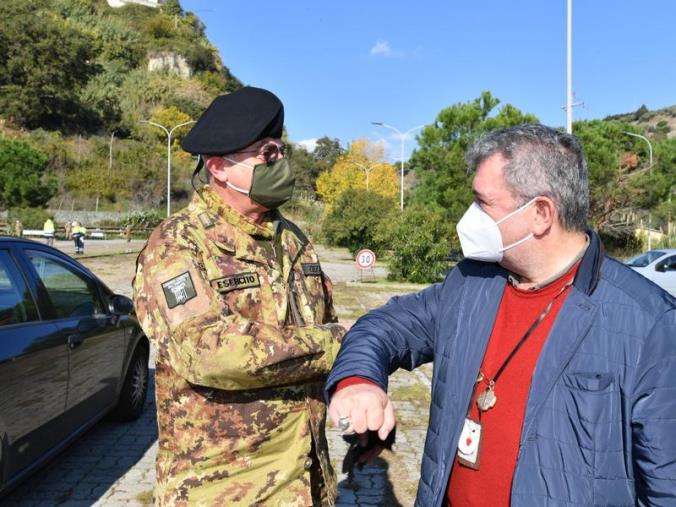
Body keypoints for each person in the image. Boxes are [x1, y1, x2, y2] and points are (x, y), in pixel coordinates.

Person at [326, 124, 676, 506]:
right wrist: (358, 380)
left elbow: (665, 485)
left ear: (541, 213)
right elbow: (383, 327)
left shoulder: (649, 323)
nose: (469, 216)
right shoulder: (472, 283)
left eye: (483, 202)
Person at [133, 86, 345, 506]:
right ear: (219, 167)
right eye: (266, 155)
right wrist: (337, 341)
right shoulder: (179, 244)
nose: (280, 163)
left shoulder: (293, 240)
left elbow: (323, 319)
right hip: (224, 490)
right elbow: (207, 351)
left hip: (306, 482)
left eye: (281, 151)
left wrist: (355, 384)